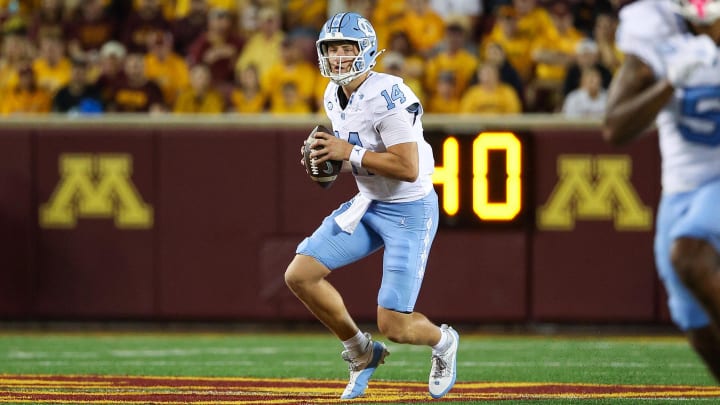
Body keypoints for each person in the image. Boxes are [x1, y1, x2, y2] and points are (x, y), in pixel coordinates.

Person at [283, 12, 459, 400]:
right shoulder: (333, 93)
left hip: (410, 209)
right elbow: (358, 160)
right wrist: (329, 162)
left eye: (348, 48)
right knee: (299, 275)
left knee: (394, 324)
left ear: (366, 52)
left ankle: (443, 341)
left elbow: (408, 168)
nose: (340, 57)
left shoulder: (389, 94)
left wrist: (348, 151)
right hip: (370, 201)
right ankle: (361, 351)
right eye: (333, 49)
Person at [602, 0, 720, 382]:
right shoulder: (652, 24)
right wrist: (670, 84)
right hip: (683, 187)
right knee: (692, 318)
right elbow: (615, 127)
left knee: (689, 254)